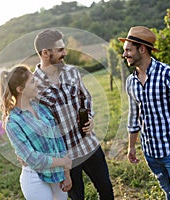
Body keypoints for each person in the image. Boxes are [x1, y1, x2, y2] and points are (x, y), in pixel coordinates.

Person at [33, 29, 114, 200]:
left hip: (88, 145)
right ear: (46, 53)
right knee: (78, 197)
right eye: (60, 50)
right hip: (65, 158)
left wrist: (90, 118)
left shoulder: (72, 71)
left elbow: (86, 98)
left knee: (106, 189)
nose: (65, 53)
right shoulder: (32, 86)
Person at [118, 26, 170, 200]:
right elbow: (133, 115)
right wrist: (131, 146)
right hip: (150, 152)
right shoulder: (131, 82)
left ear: (142, 49)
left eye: (128, 50)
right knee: (168, 194)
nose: (125, 55)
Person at [0, 65, 72, 200]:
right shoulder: (13, 122)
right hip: (35, 178)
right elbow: (32, 159)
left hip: (57, 174)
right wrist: (63, 162)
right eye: (32, 81)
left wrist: (66, 173)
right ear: (20, 90)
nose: (36, 82)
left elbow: (58, 140)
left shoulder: (42, 107)